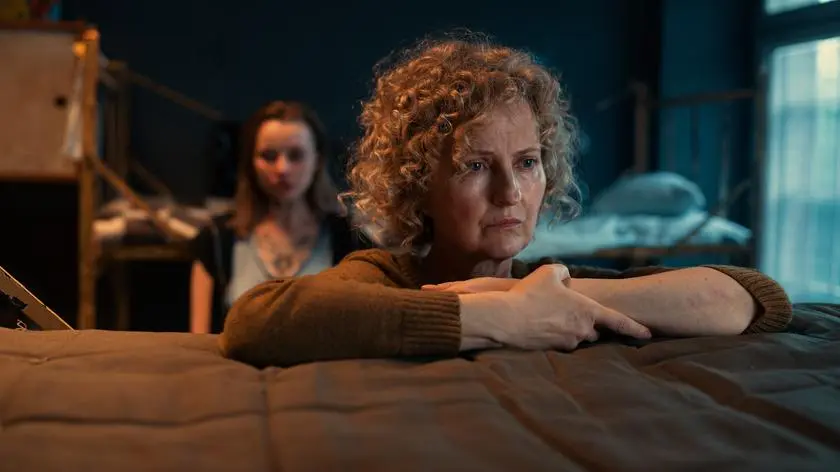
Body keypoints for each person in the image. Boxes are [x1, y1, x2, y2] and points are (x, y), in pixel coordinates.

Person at [218, 37, 792, 367]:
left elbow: (755, 298)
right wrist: (501, 317)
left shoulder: (552, 284)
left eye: (527, 162)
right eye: (474, 166)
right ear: (417, 185)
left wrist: (538, 299)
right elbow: (255, 320)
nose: (510, 193)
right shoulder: (383, 275)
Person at [190, 101, 371, 334]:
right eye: (268, 156)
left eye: (296, 155)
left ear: (316, 160)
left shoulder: (349, 239)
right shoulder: (216, 240)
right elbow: (199, 339)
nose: (282, 168)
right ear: (250, 162)